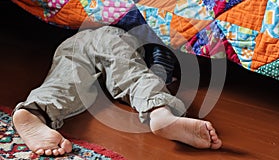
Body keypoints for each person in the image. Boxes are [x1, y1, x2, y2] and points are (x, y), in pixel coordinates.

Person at [12, 25, 222, 156]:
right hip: (112, 37)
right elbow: (148, 71)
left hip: (75, 44)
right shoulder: (154, 36)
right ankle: (160, 112)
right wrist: (164, 80)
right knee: (135, 76)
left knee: (67, 80)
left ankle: (34, 112)